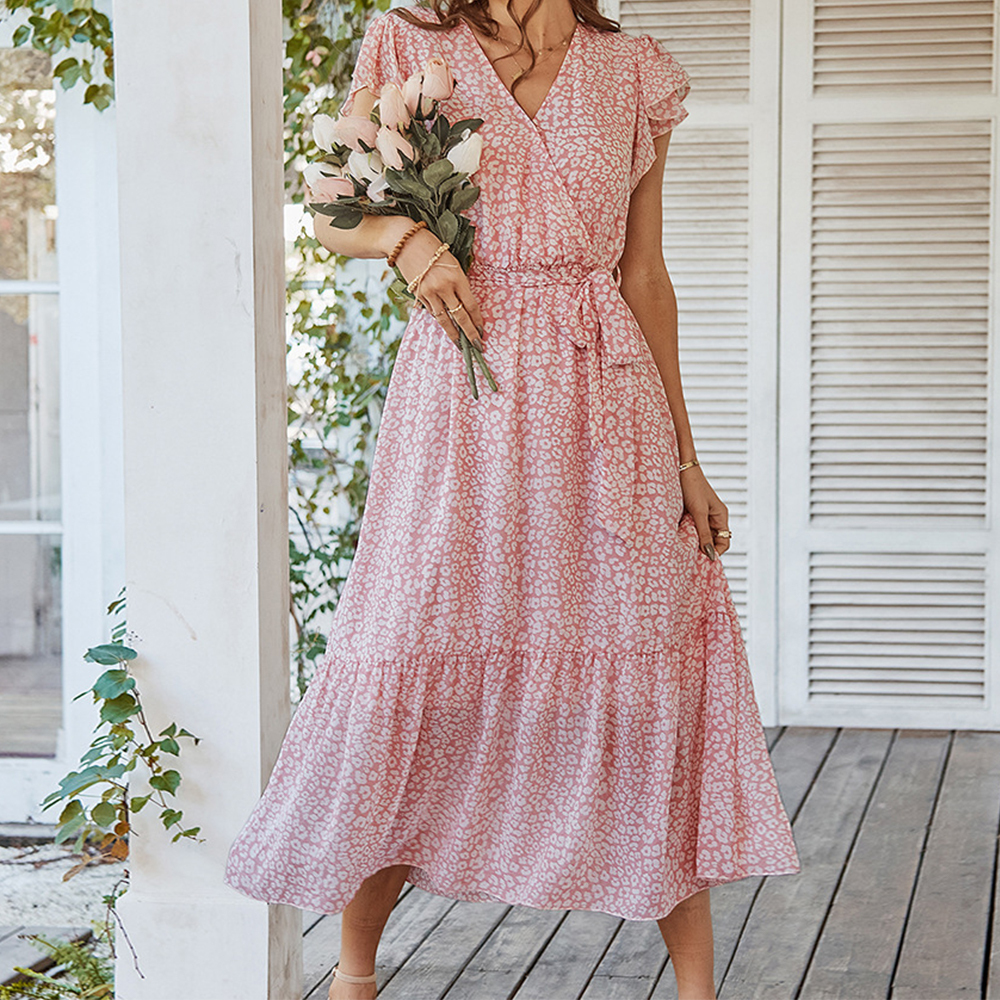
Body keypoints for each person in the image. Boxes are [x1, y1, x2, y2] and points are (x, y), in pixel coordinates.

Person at [223, 1, 801, 997]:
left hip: (604, 399)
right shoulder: (411, 49)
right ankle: (354, 975)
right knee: (415, 655)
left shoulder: (632, 70)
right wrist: (411, 243)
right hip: (459, 401)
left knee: (639, 664)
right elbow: (332, 210)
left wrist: (687, 463)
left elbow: (644, 276)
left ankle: (700, 990)